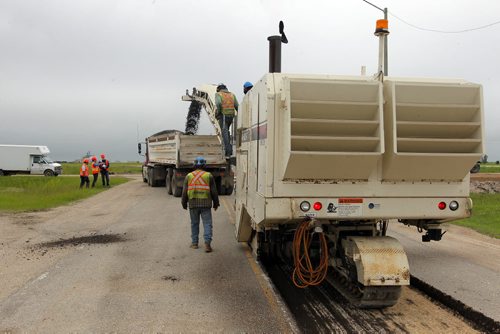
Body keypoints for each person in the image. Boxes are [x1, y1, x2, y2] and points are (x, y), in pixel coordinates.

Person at [181, 156, 219, 253]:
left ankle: (194, 243)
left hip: (193, 203)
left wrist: (184, 203)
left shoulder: (189, 176)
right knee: (207, 224)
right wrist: (216, 203)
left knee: (194, 223)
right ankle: (207, 244)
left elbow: (184, 191)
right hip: (206, 204)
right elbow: (214, 191)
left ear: (195, 165)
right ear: (204, 165)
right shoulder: (208, 176)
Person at [215, 83, 238, 157]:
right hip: (231, 116)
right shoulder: (232, 94)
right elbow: (237, 105)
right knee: (227, 132)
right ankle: (229, 149)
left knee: (224, 132)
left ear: (218, 89)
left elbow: (218, 103)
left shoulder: (218, 94)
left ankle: (228, 151)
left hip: (223, 115)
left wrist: (218, 112)